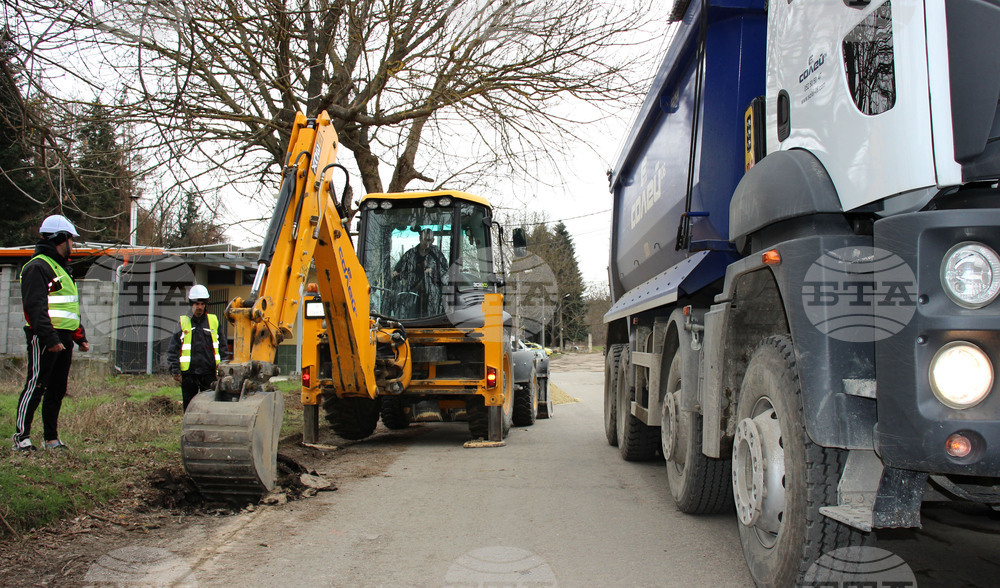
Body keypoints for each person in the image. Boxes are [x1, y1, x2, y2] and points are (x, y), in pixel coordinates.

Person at [12, 215, 90, 452]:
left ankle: (51, 439)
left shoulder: (61, 268)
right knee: (36, 385)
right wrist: (50, 338)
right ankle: (21, 438)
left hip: (63, 337)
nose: (73, 245)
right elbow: (35, 308)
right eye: (71, 240)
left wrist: (79, 336)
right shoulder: (37, 267)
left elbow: (67, 308)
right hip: (45, 338)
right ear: (61, 238)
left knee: (57, 390)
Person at [167, 285, 229, 411]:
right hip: (189, 374)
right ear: (191, 304)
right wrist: (175, 369)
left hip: (209, 373)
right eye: (196, 304)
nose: (199, 307)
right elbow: (173, 348)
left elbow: (222, 347)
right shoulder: (182, 322)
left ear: (205, 304)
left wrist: (224, 368)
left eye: (202, 304)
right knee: (190, 408)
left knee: (209, 407)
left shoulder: (214, 321)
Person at [392, 228, 449, 315]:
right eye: (423, 239)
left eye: (428, 240)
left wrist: (433, 272)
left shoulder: (438, 256)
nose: (426, 242)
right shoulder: (410, 255)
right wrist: (397, 274)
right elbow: (398, 270)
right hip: (411, 295)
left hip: (432, 297)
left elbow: (446, 274)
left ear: (433, 240)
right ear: (419, 239)